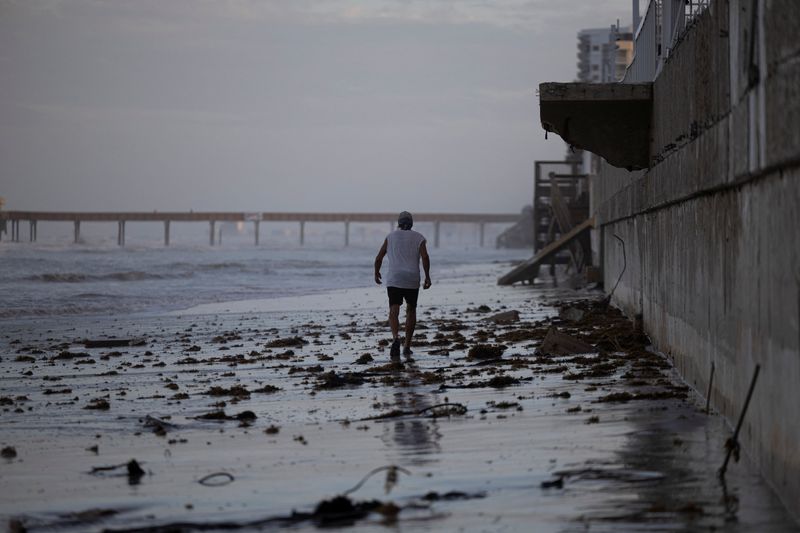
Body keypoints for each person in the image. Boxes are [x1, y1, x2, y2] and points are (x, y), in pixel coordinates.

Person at [374, 211, 431, 357]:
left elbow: (379, 257)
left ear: (399, 223)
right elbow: (425, 257)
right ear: (411, 223)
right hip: (412, 278)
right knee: (411, 310)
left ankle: (395, 338)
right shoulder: (419, 237)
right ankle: (407, 346)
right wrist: (427, 277)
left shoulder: (390, 237)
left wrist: (376, 272)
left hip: (395, 278)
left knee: (394, 309)